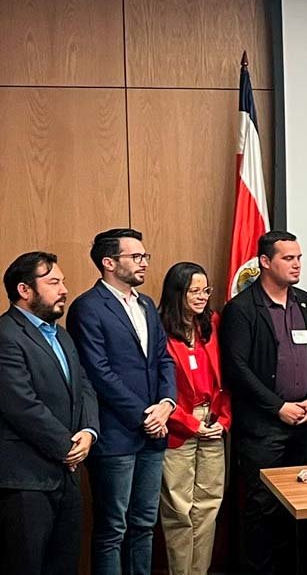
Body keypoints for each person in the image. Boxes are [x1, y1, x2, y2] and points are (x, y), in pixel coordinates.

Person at [67, 228, 176, 575]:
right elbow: (97, 373)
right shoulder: (87, 307)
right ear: (109, 262)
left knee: (144, 524)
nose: (144, 263)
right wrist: (144, 414)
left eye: (145, 256)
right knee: (113, 529)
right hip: (116, 435)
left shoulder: (146, 303)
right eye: (136, 257)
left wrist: (166, 404)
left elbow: (163, 359)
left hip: (154, 432)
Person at [220, 230, 307, 575]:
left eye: (298, 258)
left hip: (304, 421)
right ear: (265, 262)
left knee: (302, 504)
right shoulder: (242, 308)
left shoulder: (304, 301)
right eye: (288, 258)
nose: (296, 265)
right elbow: (237, 369)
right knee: (261, 508)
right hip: (263, 426)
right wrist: (277, 406)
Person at [0, 252, 98, 574]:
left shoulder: (61, 334)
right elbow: (20, 404)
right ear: (24, 290)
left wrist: (88, 432)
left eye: (64, 281)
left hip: (67, 476)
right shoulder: (6, 335)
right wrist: (67, 447)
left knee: (65, 564)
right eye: (54, 282)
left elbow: (84, 385)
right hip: (26, 480)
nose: (64, 289)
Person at [157, 262, 230, 575]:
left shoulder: (211, 322)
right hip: (178, 425)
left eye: (206, 290)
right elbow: (157, 385)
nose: (202, 297)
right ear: (178, 293)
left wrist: (222, 420)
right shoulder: (159, 327)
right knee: (179, 510)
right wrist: (189, 423)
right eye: (194, 291)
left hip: (212, 421)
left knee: (208, 505)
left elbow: (225, 378)